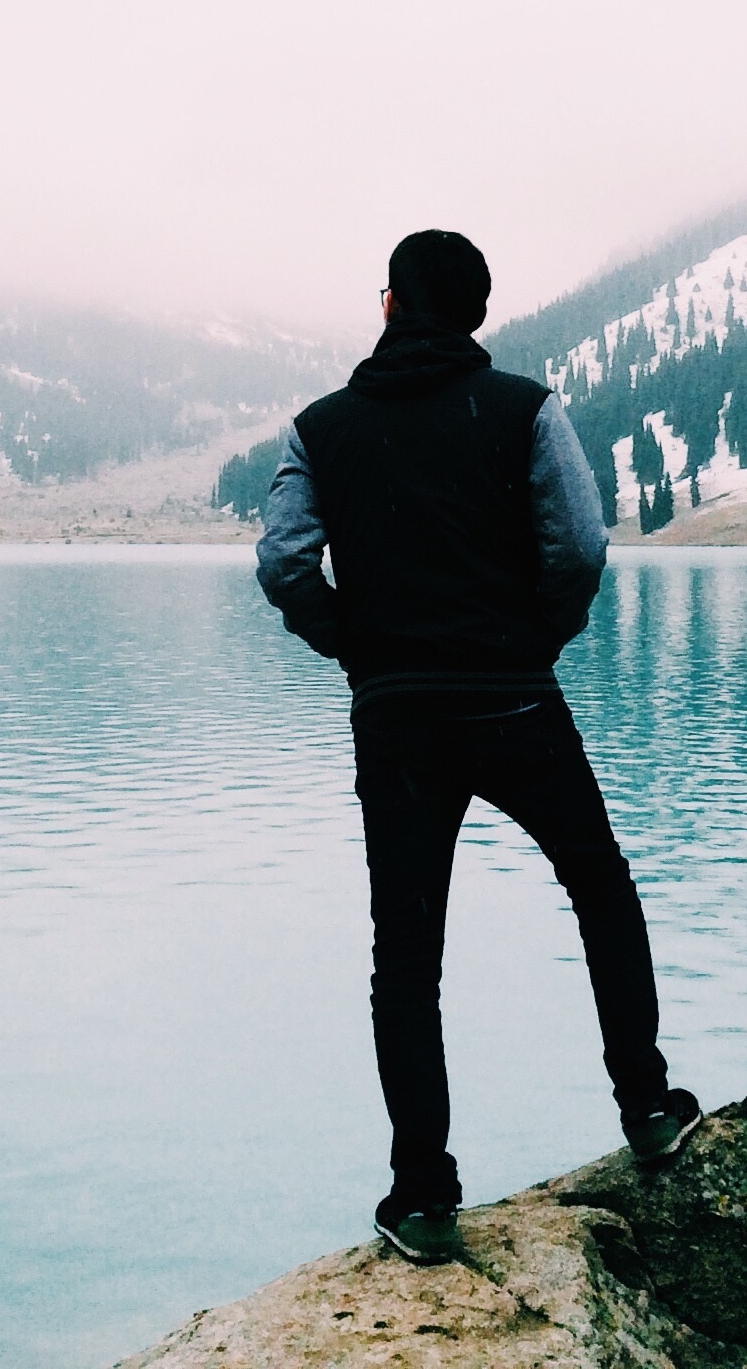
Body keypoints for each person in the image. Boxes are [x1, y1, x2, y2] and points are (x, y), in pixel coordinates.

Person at [254, 228, 699, 1265]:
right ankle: (646, 1105)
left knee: (406, 958)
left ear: (392, 308)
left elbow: (282, 564)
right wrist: (534, 638)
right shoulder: (526, 411)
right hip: (515, 702)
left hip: (398, 717)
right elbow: (581, 547)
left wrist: (356, 646)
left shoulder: (321, 428)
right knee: (599, 883)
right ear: (479, 316)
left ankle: (422, 1197)